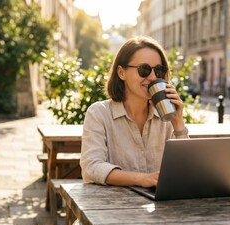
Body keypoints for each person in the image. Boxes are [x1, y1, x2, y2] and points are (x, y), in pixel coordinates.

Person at [79, 36, 188, 188]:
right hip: (111, 206)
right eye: (144, 70)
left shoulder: (166, 115)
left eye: (159, 70)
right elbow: (91, 167)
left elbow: (186, 168)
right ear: (121, 72)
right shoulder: (99, 113)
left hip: (160, 206)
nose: (152, 77)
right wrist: (142, 179)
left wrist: (178, 122)